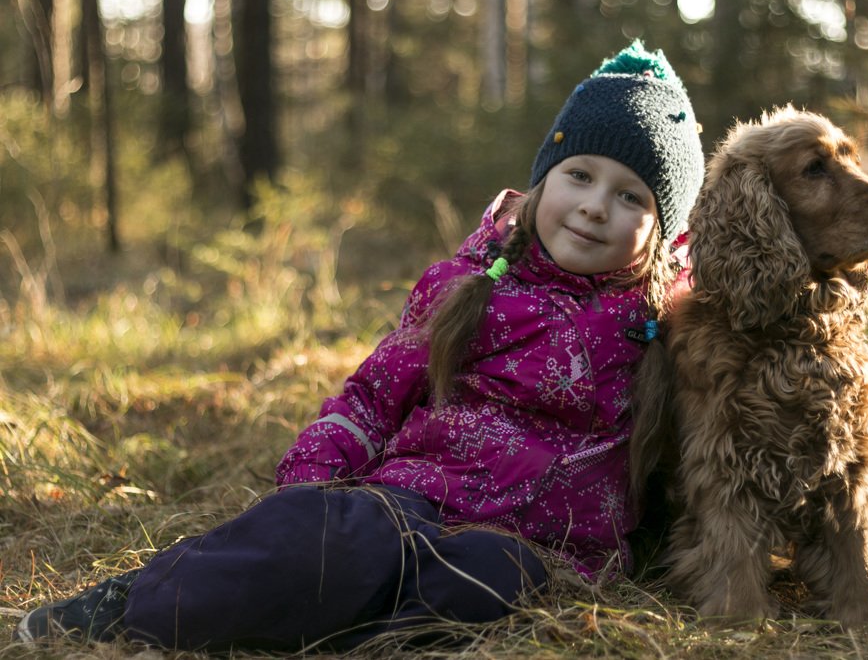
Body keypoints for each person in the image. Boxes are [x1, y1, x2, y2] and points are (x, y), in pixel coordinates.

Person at [14, 41, 704, 653]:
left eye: (631, 197)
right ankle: (134, 604)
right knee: (336, 542)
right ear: (542, 180)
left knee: (484, 584)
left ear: (666, 234)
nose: (594, 206)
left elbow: (707, 434)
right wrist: (314, 477)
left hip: (537, 549)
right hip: (412, 501)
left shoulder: (663, 325)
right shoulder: (471, 288)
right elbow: (375, 394)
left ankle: (340, 639)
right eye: (579, 175)